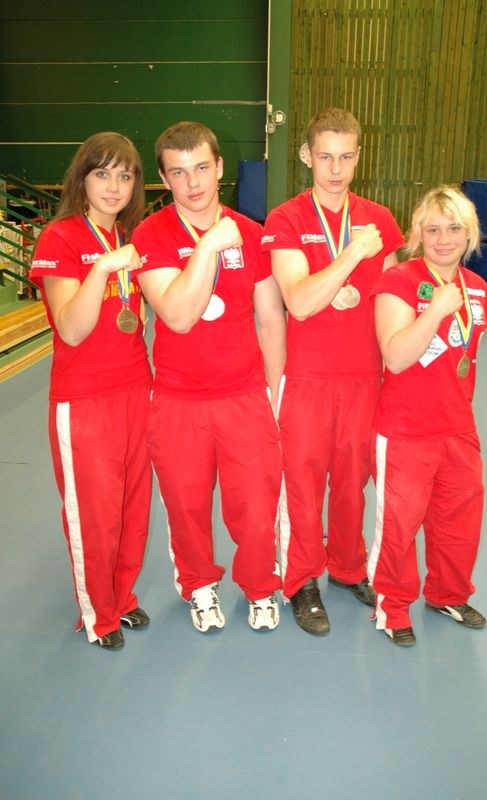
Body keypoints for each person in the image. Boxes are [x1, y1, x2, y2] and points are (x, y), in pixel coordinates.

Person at [131, 121, 285, 633]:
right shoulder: (150, 235)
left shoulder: (254, 234)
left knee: (257, 503)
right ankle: (198, 585)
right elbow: (176, 314)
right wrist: (209, 246)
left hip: (244, 395)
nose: (193, 182)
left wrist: (275, 393)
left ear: (219, 167)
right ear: (164, 178)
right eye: (179, 172)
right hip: (178, 400)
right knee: (187, 504)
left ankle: (262, 586)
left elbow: (269, 320)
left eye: (201, 168)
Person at [261, 108, 404, 635]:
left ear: (359, 156)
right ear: (306, 156)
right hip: (306, 380)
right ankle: (301, 579)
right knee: (301, 483)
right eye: (325, 157)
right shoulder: (288, 219)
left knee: (351, 484)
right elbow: (298, 301)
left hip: (365, 379)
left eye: (346, 157)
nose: (336, 169)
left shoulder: (381, 219)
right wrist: (349, 257)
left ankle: (346, 567)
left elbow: (392, 299)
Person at [30, 132, 152, 651]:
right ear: (81, 178)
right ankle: (96, 612)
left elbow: (138, 320)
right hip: (84, 400)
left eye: (125, 175)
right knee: (94, 512)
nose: (114, 186)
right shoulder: (59, 238)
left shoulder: (131, 237)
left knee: (132, 506)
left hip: (134, 390)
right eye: (102, 173)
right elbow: (72, 329)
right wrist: (102, 267)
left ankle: (121, 597)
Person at [367, 185, 487, 647]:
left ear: (469, 234)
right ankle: (393, 605)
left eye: (454, 228)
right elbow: (396, 356)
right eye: (433, 229)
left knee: (460, 520)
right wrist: (435, 311)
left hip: (458, 427)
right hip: (405, 430)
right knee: (399, 525)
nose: (444, 239)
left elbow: (464, 355)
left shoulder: (477, 289)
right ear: (417, 234)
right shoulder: (398, 280)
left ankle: (448, 594)